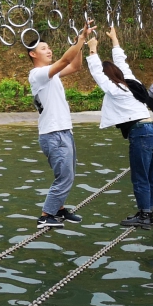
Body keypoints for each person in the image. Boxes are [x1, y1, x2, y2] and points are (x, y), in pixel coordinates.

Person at [86, 27, 153, 229]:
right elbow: (122, 62)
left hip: (141, 133)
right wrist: (114, 39)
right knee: (151, 176)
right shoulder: (131, 82)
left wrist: (93, 50)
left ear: (109, 76)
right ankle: (148, 211)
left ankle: (144, 215)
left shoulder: (115, 88)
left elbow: (97, 74)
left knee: (140, 177)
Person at [27, 26, 90, 228]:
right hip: (53, 134)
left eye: (49, 47)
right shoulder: (37, 74)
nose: (49, 50)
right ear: (33, 54)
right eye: (43, 48)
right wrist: (79, 40)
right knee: (64, 176)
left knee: (68, 175)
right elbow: (64, 61)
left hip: (63, 131)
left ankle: (59, 209)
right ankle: (45, 216)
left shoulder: (50, 75)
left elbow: (75, 66)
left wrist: (80, 45)